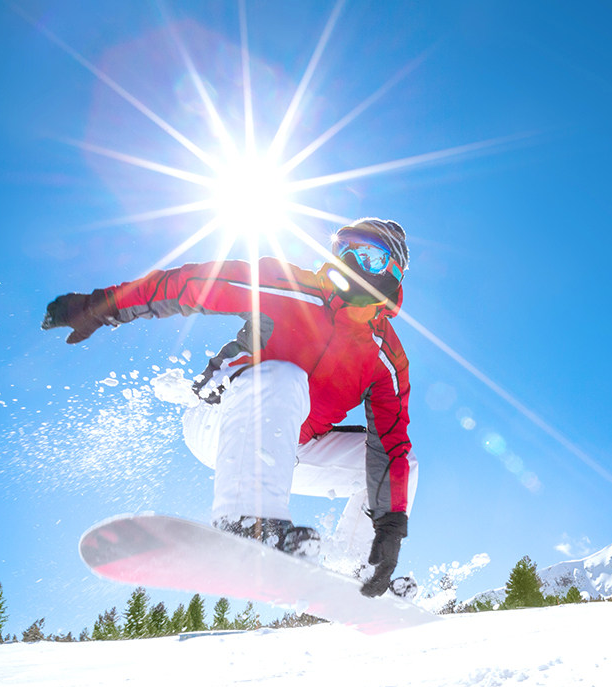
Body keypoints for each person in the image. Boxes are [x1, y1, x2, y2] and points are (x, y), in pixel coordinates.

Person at [42, 217, 417, 597]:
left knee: (403, 465)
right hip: (223, 420)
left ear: (393, 273)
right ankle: (247, 522)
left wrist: (390, 530)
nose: (350, 261)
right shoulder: (290, 287)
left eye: (368, 256)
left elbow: (390, 446)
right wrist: (100, 306)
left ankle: (359, 568)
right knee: (285, 375)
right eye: (344, 249)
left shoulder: (386, 357)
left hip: (288, 449)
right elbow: (192, 284)